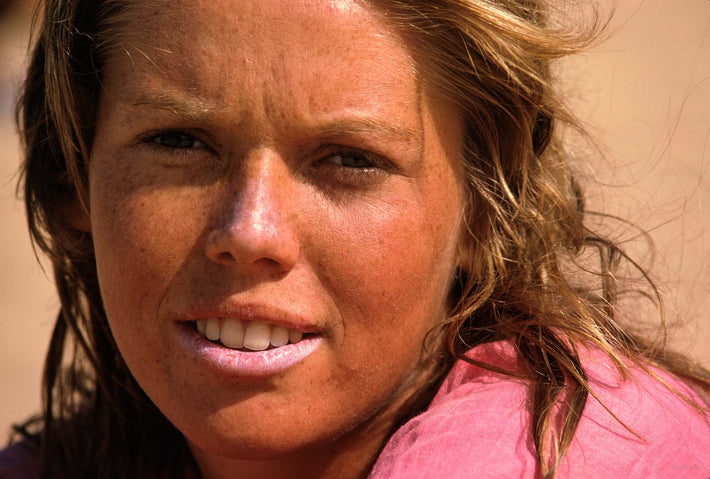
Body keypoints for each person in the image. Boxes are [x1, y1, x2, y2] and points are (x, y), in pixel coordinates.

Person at [1, 0, 709, 478]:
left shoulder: (538, 454)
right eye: (180, 141)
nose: (250, 232)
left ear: (487, 207)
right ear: (74, 178)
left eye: (350, 158)